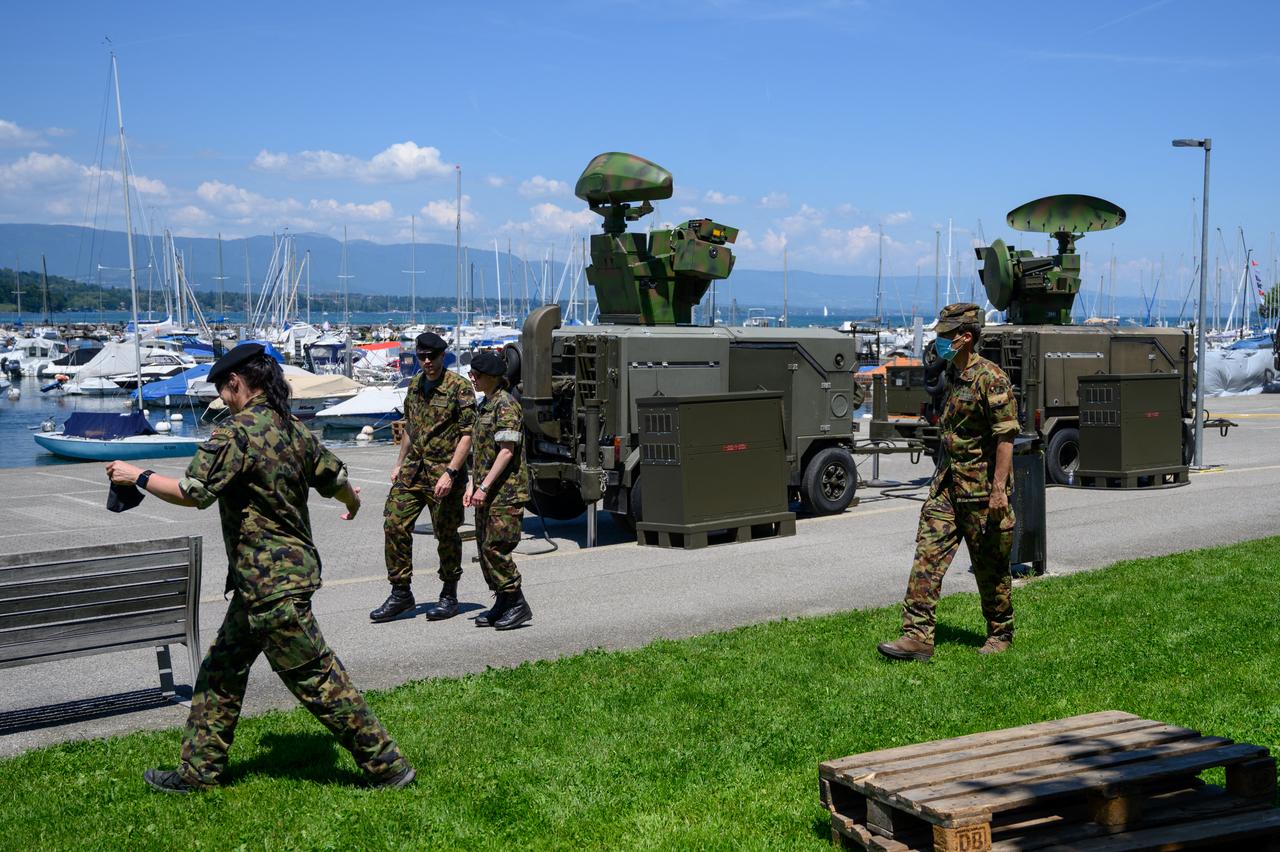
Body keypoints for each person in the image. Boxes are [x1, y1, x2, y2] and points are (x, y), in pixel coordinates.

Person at [106, 343, 414, 793]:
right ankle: (198, 773)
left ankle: (388, 766)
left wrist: (138, 476)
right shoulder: (293, 428)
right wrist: (351, 505)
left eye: (222, 390)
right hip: (263, 585)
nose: (222, 400)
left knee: (318, 680)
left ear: (236, 383)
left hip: (271, 588)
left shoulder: (236, 435)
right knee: (220, 672)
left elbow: (193, 493)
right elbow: (338, 481)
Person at [877, 303, 1020, 662]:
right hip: (947, 487)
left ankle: (1000, 632)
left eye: (945, 335)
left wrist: (999, 490)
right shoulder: (952, 375)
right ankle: (917, 637)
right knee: (927, 556)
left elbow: (1005, 437)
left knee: (991, 569)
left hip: (982, 491)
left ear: (966, 337)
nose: (939, 340)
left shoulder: (991, 378)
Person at [372, 331, 476, 623]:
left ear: (443, 356)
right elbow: (410, 428)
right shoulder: (416, 384)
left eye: (432, 357)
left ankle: (449, 593)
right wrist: (398, 463)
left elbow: (468, 435)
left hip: (444, 472)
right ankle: (401, 592)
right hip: (414, 470)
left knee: (446, 534)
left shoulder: (459, 387)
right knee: (394, 524)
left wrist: (451, 472)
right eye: (422, 357)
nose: (427, 362)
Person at [463, 351, 532, 630]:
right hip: (488, 492)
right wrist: (471, 484)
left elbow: (506, 452)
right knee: (484, 546)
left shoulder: (505, 405)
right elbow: (480, 452)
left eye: (476, 375)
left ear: (491, 377)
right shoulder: (486, 405)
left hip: (505, 493)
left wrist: (483, 486)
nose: (472, 379)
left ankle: (517, 603)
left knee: (496, 548)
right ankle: (503, 600)